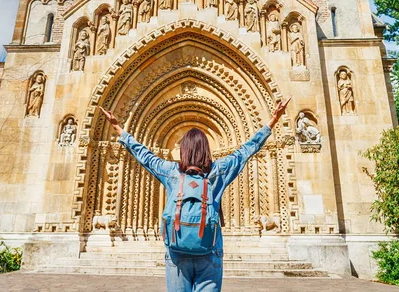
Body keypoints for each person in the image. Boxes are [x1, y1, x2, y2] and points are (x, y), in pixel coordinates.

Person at [99, 97, 290, 292]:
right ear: (207, 149)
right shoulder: (218, 172)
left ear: (183, 150)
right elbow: (246, 150)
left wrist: (118, 129)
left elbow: (144, 155)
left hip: (177, 250)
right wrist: (272, 120)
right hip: (209, 250)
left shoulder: (171, 171)